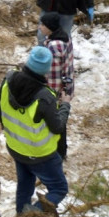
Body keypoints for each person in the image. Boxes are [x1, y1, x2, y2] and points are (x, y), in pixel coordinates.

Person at [0, 46, 72, 216]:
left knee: (25, 184)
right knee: (59, 188)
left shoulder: (8, 81)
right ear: (46, 70)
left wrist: (10, 129)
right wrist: (65, 104)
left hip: (16, 147)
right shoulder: (44, 97)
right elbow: (58, 127)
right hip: (41, 154)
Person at [40, 11, 75, 160]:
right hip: (65, 87)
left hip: (55, 90)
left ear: (50, 27)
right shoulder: (64, 38)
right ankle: (62, 151)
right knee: (61, 118)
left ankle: (59, 153)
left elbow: (52, 72)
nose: (40, 27)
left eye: (43, 24)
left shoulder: (54, 46)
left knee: (56, 121)